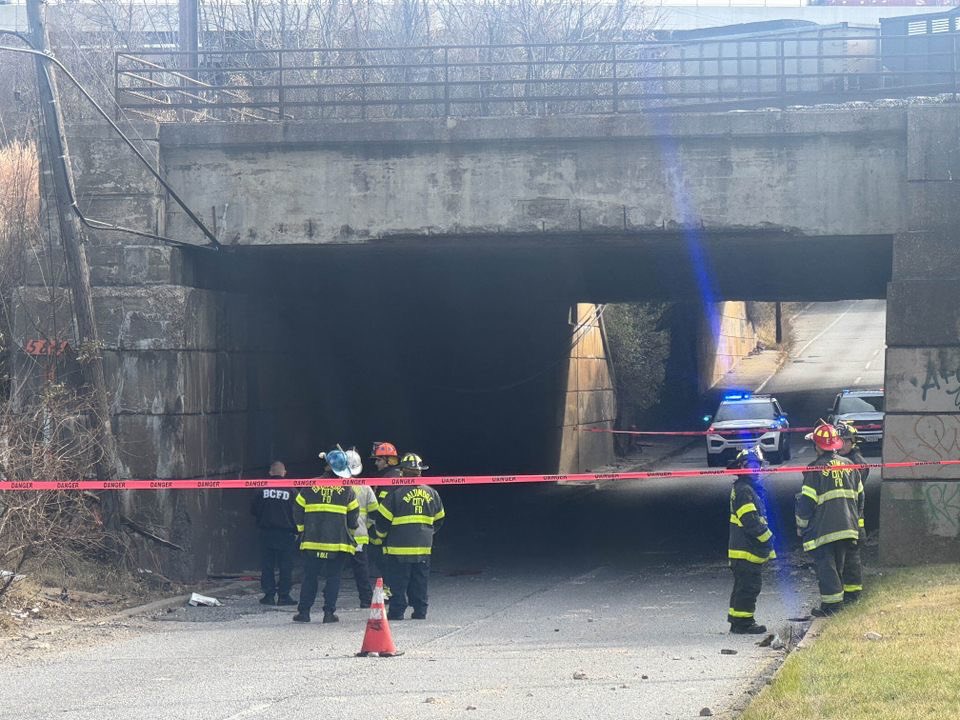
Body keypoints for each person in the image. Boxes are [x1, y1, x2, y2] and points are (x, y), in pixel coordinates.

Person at [796, 423, 865, 616]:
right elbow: (860, 496)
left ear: (817, 446)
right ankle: (838, 602)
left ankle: (832, 607)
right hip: (848, 526)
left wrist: (801, 525)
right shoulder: (850, 465)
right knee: (838, 566)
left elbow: (807, 502)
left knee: (826, 568)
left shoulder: (814, 469)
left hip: (824, 529)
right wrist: (856, 522)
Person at [292, 448, 360, 624]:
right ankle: (329, 613)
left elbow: (297, 509)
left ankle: (304, 612)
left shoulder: (310, 485)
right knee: (333, 577)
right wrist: (350, 533)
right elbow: (353, 516)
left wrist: (301, 530)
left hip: (312, 542)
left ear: (326, 466)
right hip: (337, 544)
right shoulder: (346, 489)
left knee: (310, 576)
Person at [374, 452, 445, 621]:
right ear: (420, 472)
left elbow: (383, 520)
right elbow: (439, 519)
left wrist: (380, 538)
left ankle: (397, 612)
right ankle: (420, 611)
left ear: (403, 472)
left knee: (398, 581)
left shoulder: (396, 493)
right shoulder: (432, 493)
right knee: (420, 580)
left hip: (398, 548)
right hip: (423, 548)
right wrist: (428, 533)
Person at [726, 447, 776, 634]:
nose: (756, 470)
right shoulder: (744, 490)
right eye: (752, 466)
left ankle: (738, 620)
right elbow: (750, 520)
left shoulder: (746, 488)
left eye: (757, 466)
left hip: (745, 549)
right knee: (749, 587)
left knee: (744, 586)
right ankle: (744, 623)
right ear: (741, 467)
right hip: (745, 549)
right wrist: (768, 537)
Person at [250, 461, 298, 606]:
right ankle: (284, 596)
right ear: (284, 472)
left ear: (270, 473)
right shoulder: (291, 490)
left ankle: (269, 595)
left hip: (267, 532)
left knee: (267, 565)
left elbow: (253, 510)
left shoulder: (260, 488)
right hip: (286, 533)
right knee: (286, 565)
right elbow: (297, 511)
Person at [345, 448, 377, 608]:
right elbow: (374, 511)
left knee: (333, 571)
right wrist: (367, 526)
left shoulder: (334, 486)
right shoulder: (365, 487)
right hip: (359, 535)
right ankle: (366, 599)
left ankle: (329, 601)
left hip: (338, 536)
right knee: (361, 571)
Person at [367, 441, 403, 580]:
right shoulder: (390, 476)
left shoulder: (390, 479)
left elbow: (383, 505)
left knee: (384, 557)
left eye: (378, 460)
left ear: (389, 461)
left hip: (388, 526)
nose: (376, 463)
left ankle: (389, 587)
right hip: (392, 526)